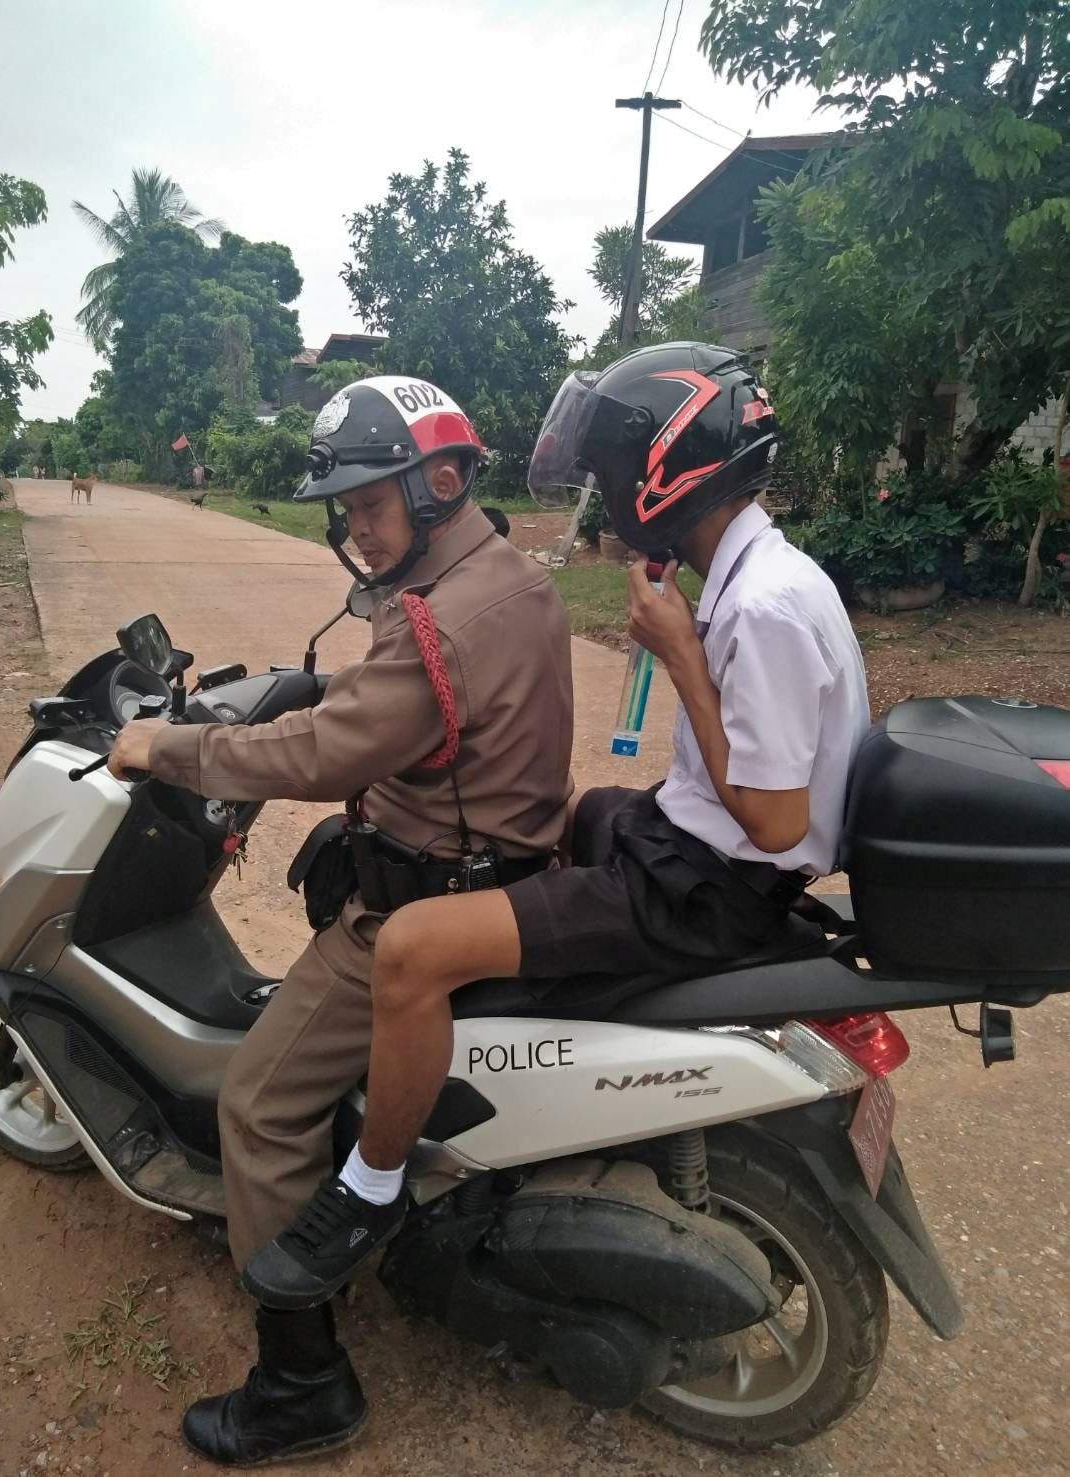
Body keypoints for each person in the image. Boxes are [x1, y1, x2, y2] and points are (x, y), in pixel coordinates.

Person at [242, 342, 871, 1319]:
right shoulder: (761, 575)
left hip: (705, 885)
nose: (604, 495)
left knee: (410, 948)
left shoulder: (764, 606)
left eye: (611, 473)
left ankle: (368, 1187)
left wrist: (678, 660)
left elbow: (773, 815)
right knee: (571, 814)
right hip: (692, 849)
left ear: (666, 469)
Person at [106, 375, 574, 1466]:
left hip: (418, 911)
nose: (355, 528)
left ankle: (301, 1383)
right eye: (346, 509)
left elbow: (317, 758)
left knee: (259, 1106)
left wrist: (164, 746)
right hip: (496, 869)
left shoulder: (435, 626)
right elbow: (384, 714)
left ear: (439, 482)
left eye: (371, 503)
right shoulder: (511, 578)